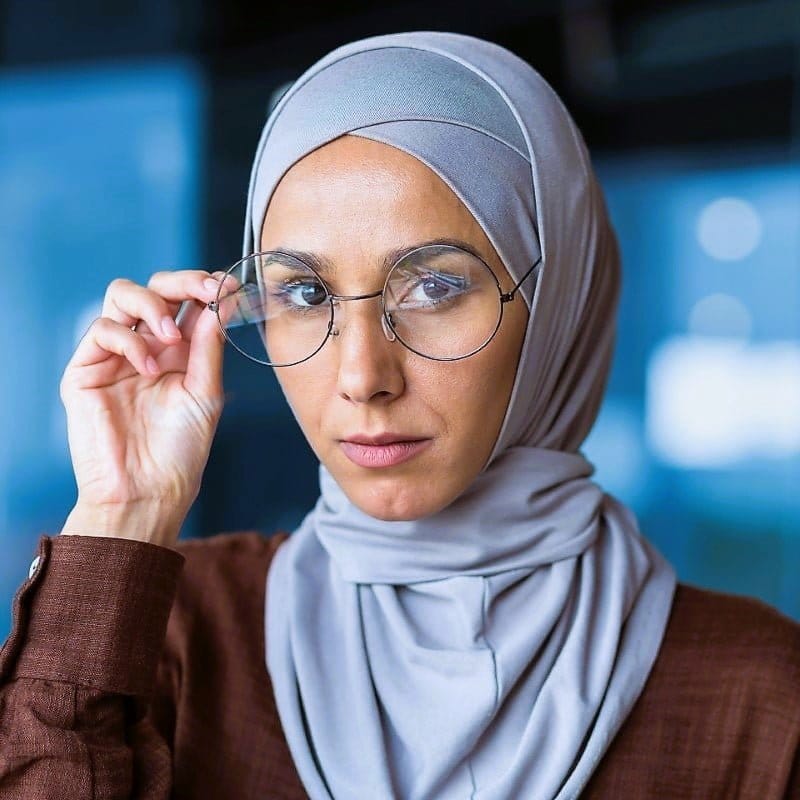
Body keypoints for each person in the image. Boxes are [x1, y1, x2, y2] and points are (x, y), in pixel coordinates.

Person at [0, 30, 798, 800]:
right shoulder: (172, 636)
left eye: (435, 287)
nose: (362, 377)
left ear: (557, 303)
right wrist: (122, 512)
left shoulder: (758, 703)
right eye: (305, 293)